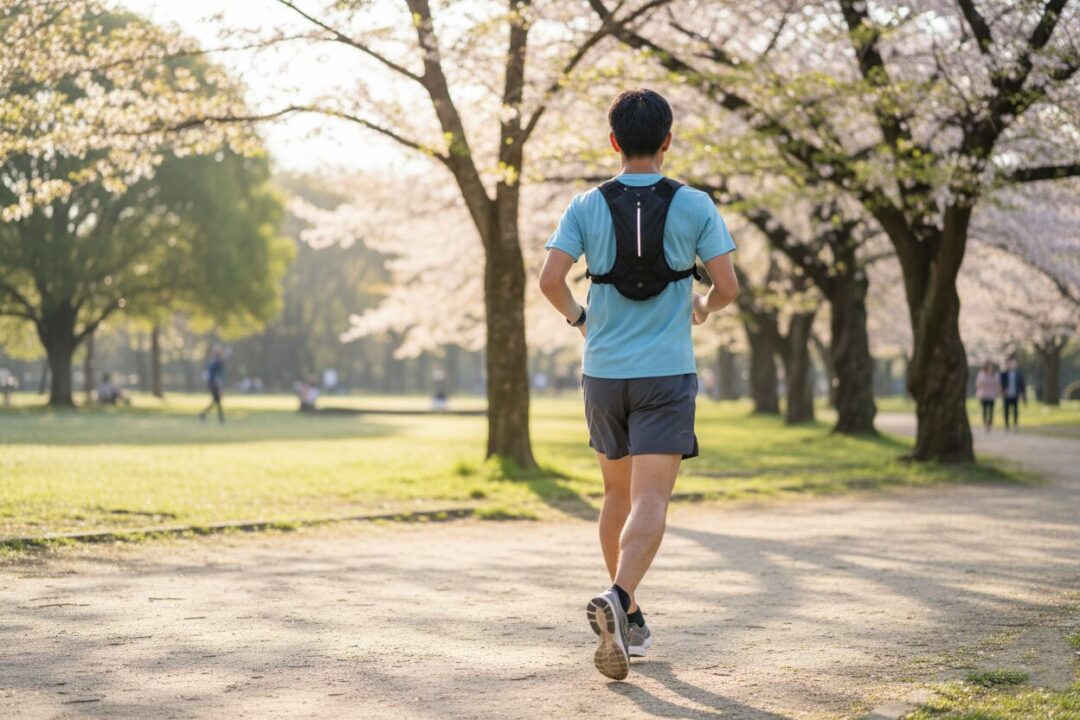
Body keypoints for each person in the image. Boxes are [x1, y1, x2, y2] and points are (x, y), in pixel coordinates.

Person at [539, 88, 738, 681]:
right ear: (668, 141)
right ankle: (620, 599)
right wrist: (701, 306)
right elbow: (728, 288)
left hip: (603, 374)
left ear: (614, 142)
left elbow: (550, 280)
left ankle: (631, 618)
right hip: (665, 373)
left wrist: (582, 321)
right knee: (651, 500)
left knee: (616, 497)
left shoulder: (584, 206)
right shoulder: (695, 205)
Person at [199, 348, 226, 423]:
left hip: (211, 384)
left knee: (216, 401)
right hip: (215, 385)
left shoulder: (212, 363)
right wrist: (220, 387)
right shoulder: (218, 363)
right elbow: (218, 377)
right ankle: (219, 418)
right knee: (217, 401)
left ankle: (204, 414)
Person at [999, 356, 1027, 431]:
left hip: (1015, 394)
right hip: (1007, 395)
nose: (1010, 365)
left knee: (1015, 410)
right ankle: (1007, 425)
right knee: (1006, 410)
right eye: (1009, 363)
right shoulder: (1003, 373)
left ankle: (1015, 424)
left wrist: (1022, 394)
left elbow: (1021, 384)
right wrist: (1003, 390)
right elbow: (1000, 383)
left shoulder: (1018, 373)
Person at [974, 360, 1000, 432]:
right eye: (988, 367)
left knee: (991, 410)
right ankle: (985, 424)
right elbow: (977, 384)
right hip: (983, 395)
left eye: (991, 367)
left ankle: (989, 424)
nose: (990, 368)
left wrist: (998, 393)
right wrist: (982, 384)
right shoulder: (981, 374)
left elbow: (997, 385)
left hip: (992, 395)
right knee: (984, 410)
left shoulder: (995, 375)